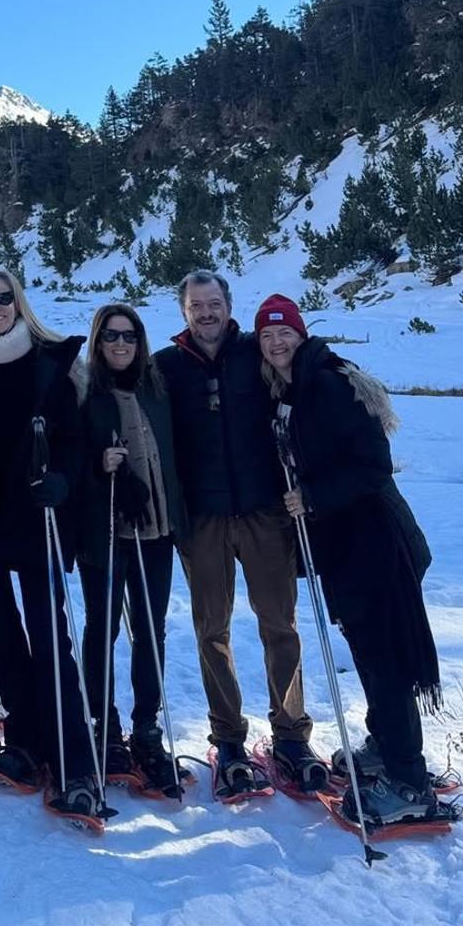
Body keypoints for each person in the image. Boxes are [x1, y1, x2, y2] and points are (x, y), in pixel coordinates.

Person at [255, 294, 443, 827]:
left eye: (284, 332)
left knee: (387, 661)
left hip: (376, 543)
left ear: (301, 331)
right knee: (369, 653)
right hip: (347, 546)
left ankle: (409, 782)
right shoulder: (294, 386)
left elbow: (374, 467)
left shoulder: (331, 383)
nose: (276, 343)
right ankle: (386, 747)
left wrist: (312, 497)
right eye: (267, 337)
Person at [155, 269, 321, 799]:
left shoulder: (255, 352)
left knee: (280, 624)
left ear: (228, 305)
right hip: (202, 518)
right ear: (183, 311)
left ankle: (291, 735)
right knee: (212, 630)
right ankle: (228, 738)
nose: (206, 313)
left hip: (263, 512)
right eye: (195, 305)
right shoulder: (166, 367)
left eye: (214, 303)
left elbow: (305, 373)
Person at [0, 267, 99, 821]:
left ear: (19, 301)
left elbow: (74, 441)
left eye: (3, 298)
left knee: (51, 639)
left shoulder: (51, 362)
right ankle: (27, 740)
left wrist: (63, 478)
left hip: (36, 516)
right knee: (1, 638)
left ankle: (76, 761)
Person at [79, 302, 188, 792]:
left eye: (129, 336)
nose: (120, 344)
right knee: (102, 628)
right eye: (111, 336)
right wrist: (98, 465)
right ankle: (104, 725)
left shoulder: (157, 387)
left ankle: (147, 725)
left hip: (156, 528)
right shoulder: (83, 392)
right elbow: (65, 455)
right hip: (104, 527)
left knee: (151, 629)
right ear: (97, 342)